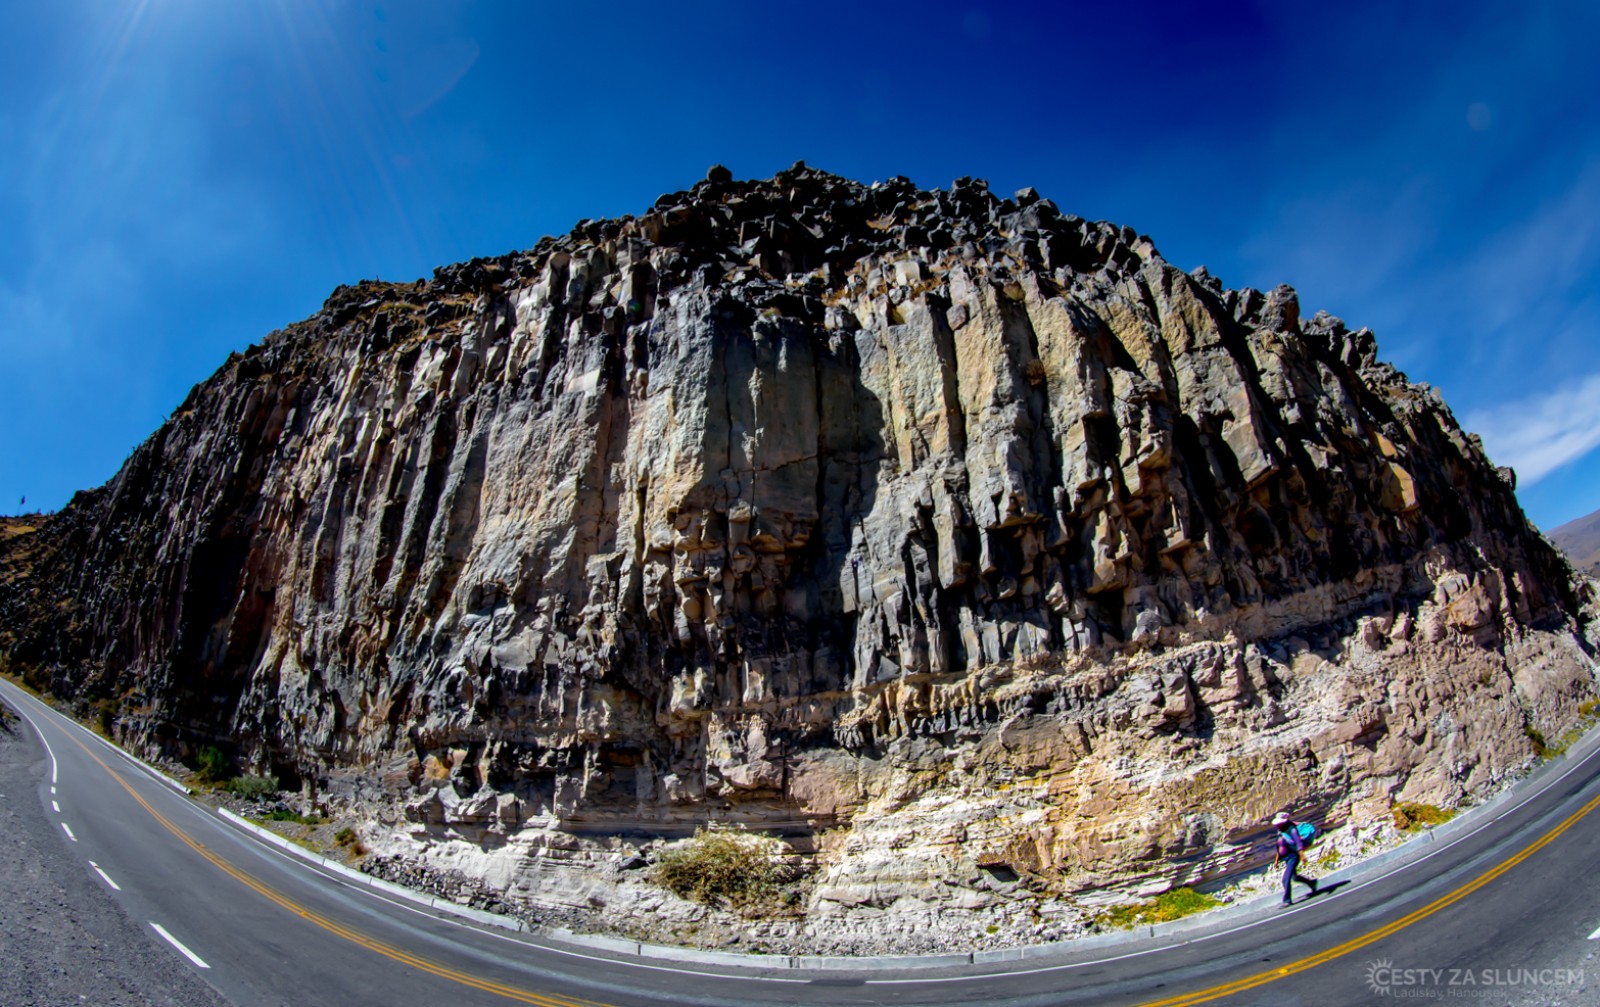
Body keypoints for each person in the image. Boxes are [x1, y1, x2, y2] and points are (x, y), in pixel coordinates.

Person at [1272, 811, 1317, 906]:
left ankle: (1287, 900)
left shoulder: (1292, 830)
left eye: (1279, 824)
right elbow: (1279, 845)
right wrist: (1277, 860)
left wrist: (1302, 855)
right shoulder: (1281, 830)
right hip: (1286, 858)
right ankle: (1312, 883)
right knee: (1294, 877)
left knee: (1285, 879)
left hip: (1293, 856)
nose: (1277, 826)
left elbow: (1298, 843)